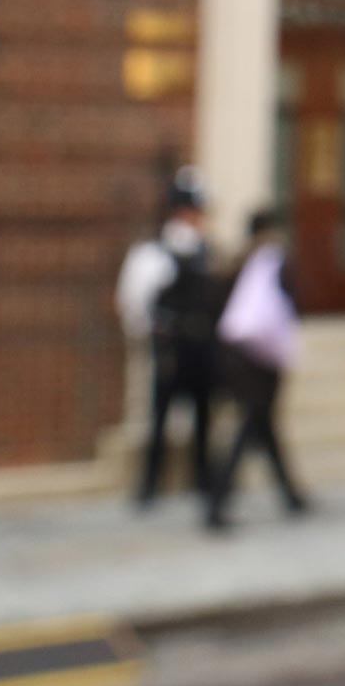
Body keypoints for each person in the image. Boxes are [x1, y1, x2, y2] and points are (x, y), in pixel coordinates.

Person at [118, 168, 224, 507]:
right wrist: (153, 338)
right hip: (171, 346)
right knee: (160, 416)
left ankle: (202, 479)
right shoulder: (155, 253)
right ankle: (151, 483)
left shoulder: (206, 251)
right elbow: (134, 304)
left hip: (200, 345)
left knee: (202, 416)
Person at [205, 209, 311, 530]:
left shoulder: (235, 262)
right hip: (260, 358)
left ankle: (291, 495)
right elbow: (291, 306)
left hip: (234, 354)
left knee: (263, 423)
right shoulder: (273, 261)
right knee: (252, 423)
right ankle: (218, 500)